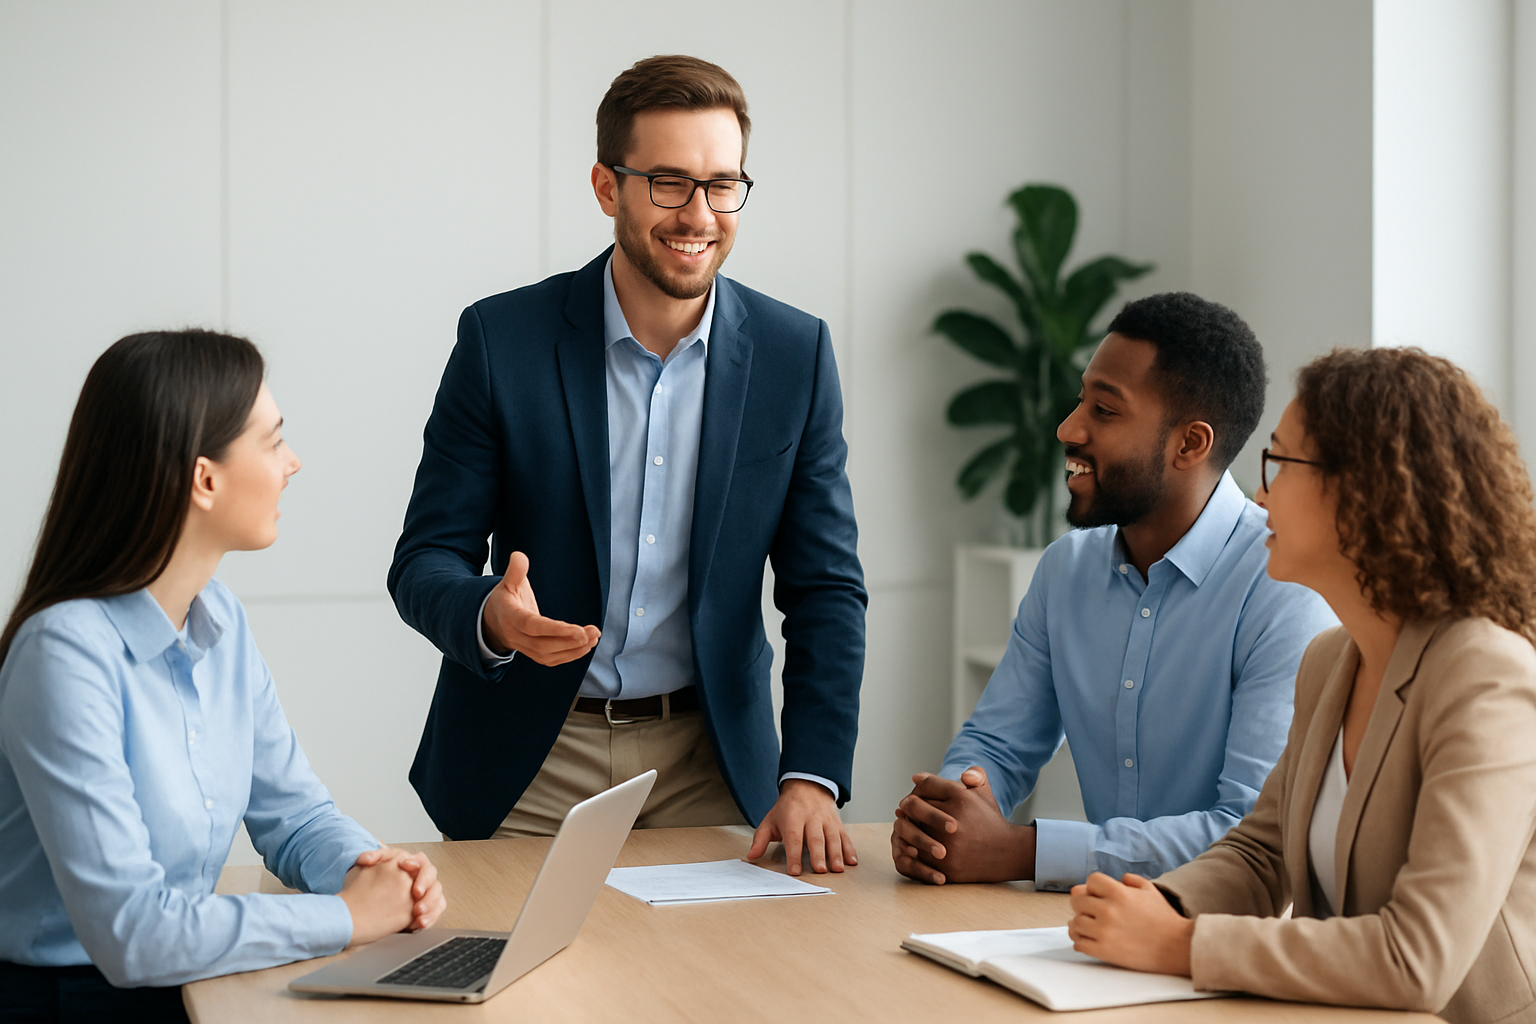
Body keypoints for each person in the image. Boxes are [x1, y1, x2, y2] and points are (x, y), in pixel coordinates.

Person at [389, 55, 865, 875]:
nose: (700, 214)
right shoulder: (503, 343)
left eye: (723, 184)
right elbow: (425, 559)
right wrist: (491, 619)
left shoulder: (796, 355)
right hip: (530, 762)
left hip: (711, 764)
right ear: (609, 188)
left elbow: (825, 588)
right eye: (670, 183)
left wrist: (812, 775)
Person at [1067, 347, 1536, 1023]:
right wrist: (1156, 906)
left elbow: (1417, 958)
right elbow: (1262, 853)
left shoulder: (1487, 677)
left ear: (1366, 491)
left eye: (1278, 463)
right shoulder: (1330, 660)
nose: (1260, 495)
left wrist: (1183, 943)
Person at [0, 331, 446, 1023]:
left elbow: (294, 817)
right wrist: (347, 918)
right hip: (71, 1001)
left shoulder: (220, 620)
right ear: (204, 479)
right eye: (273, 442)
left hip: (193, 979)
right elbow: (134, 934)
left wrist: (370, 869)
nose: (293, 463)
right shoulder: (63, 655)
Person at [891, 292, 1337, 891]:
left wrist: (1025, 852)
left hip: (1216, 945)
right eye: (1082, 399)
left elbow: (1249, 834)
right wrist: (946, 818)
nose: (1067, 428)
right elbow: (998, 743)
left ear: (1189, 444)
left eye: (1104, 410)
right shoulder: (1065, 570)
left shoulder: (1284, 589)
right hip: (1089, 930)